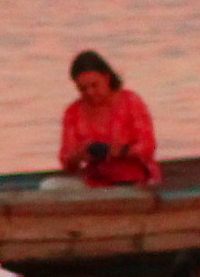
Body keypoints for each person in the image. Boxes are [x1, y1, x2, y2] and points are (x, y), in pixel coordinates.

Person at [58, 49, 160, 186]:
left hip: (137, 181)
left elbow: (148, 147)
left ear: (107, 78)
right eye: (83, 89)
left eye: (94, 85)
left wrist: (120, 151)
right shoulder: (73, 112)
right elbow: (66, 162)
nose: (90, 92)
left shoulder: (130, 102)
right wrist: (79, 155)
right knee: (50, 187)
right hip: (96, 184)